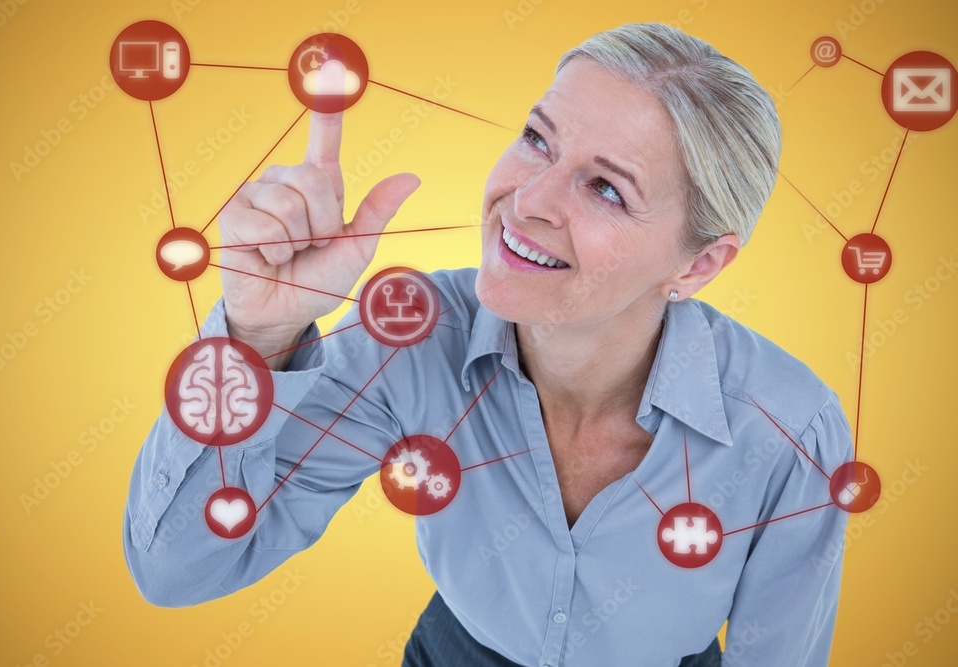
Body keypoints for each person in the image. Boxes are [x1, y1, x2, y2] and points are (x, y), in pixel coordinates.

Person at [124, 22, 853, 666]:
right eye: (538, 139)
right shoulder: (409, 338)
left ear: (697, 265)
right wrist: (258, 334)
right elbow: (176, 568)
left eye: (606, 189)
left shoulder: (790, 431)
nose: (528, 200)